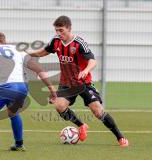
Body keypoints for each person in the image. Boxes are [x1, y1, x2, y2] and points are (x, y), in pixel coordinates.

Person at [27, 15, 129, 147]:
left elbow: (93, 61)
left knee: (98, 111)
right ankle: (81, 125)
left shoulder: (79, 43)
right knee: (59, 106)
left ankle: (120, 137)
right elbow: (42, 52)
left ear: (69, 28)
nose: (58, 33)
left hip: (84, 83)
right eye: (56, 30)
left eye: (61, 30)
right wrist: (27, 52)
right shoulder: (56, 41)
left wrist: (86, 70)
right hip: (66, 84)